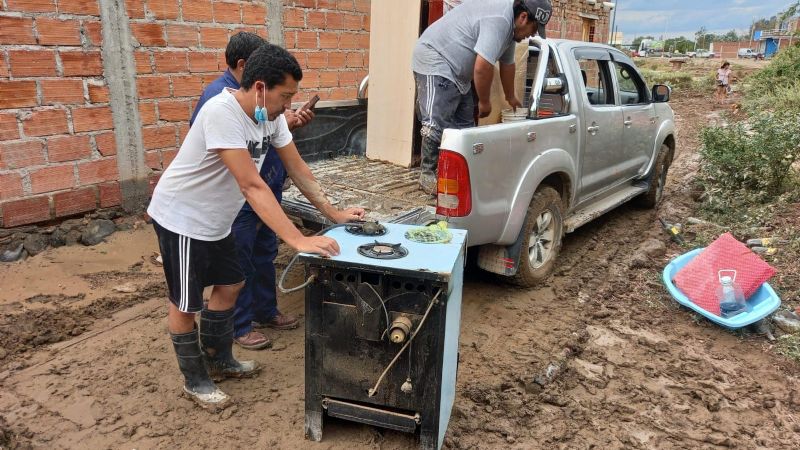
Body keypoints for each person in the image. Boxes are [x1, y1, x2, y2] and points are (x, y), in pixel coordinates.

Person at [148, 43, 365, 410]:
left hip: (216, 220)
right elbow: (251, 185)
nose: (289, 104)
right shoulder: (222, 111)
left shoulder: (271, 116)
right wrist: (297, 239)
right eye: (286, 95)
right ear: (261, 87)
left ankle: (218, 359)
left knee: (231, 284)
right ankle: (196, 381)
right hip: (183, 217)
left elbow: (297, 168)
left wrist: (333, 213)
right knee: (186, 303)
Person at [191, 32, 315, 350]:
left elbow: (272, 136)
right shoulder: (219, 100)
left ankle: (265, 310)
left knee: (264, 253)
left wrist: (285, 121)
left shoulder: (263, 103)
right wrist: (299, 238)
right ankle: (240, 325)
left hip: (266, 187)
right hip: (240, 197)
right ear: (246, 66)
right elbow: (240, 170)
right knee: (238, 263)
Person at [411, 0, 551, 194]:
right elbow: (482, 67)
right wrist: (484, 102)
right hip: (436, 59)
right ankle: (427, 175)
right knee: (436, 121)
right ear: (523, 17)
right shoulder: (500, 20)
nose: (533, 34)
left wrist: (511, 97)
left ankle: (458, 174)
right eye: (534, 28)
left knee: (465, 127)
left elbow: (508, 65)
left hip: (458, 73)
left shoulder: (510, 31)